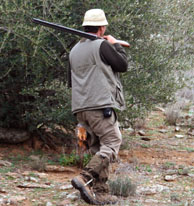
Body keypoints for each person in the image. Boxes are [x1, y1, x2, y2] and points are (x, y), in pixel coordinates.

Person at [68, 8, 128, 205]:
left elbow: (71, 81)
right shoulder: (102, 45)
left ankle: (101, 191)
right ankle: (84, 178)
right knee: (112, 142)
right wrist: (115, 45)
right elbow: (122, 65)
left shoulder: (74, 51)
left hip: (80, 108)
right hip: (100, 106)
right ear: (102, 28)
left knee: (97, 147)